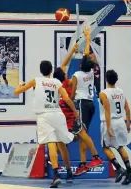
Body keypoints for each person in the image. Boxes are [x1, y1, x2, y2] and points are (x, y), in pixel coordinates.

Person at [14, 60, 79, 188]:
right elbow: (66, 99)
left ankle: (56, 174)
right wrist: (76, 112)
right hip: (57, 114)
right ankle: (69, 172)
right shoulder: (57, 82)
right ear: (51, 70)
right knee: (62, 144)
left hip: (44, 115)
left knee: (51, 143)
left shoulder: (35, 81)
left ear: (41, 70)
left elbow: (17, 92)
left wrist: (19, 85)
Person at [70, 28, 103, 176]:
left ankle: (96, 157)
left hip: (82, 104)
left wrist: (68, 105)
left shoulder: (77, 75)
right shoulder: (90, 72)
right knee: (83, 135)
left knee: (82, 133)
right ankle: (83, 164)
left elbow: (71, 94)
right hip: (91, 104)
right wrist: (88, 38)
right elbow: (86, 54)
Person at [99, 69, 131, 185]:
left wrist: (108, 128)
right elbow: (127, 109)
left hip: (110, 122)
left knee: (105, 147)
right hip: (121, 121)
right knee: (120, 147)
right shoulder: (121, 92)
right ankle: (130, 172)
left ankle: (119, 168)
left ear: (106, 79)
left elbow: (107, 112)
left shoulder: (104, 93)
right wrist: (128, 124)